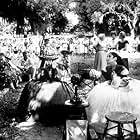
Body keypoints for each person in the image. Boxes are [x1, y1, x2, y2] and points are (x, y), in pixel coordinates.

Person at [86, 51, 140, 135]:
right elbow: (100, 73)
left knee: (122, 100)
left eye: (109, 56)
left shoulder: (120, 67)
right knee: (99, 94)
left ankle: (123, 123)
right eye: (106, 57)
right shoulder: (107, 68)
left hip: (122, 86)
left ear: (115, 58)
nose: (107, 58)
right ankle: (104, 122)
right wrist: (93, 72)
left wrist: (119, 77)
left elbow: (125, 74)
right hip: (111, 85)